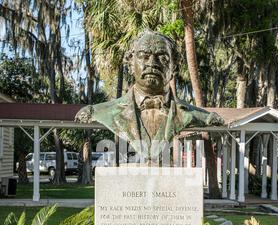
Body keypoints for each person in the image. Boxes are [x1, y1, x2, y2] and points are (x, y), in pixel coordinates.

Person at [75, 30, 223, 161]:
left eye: (162, 57)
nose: (152, 63)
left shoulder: (199, 116)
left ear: (174, 66)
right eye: (144, 56)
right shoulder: (99, 112)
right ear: (131, 64)